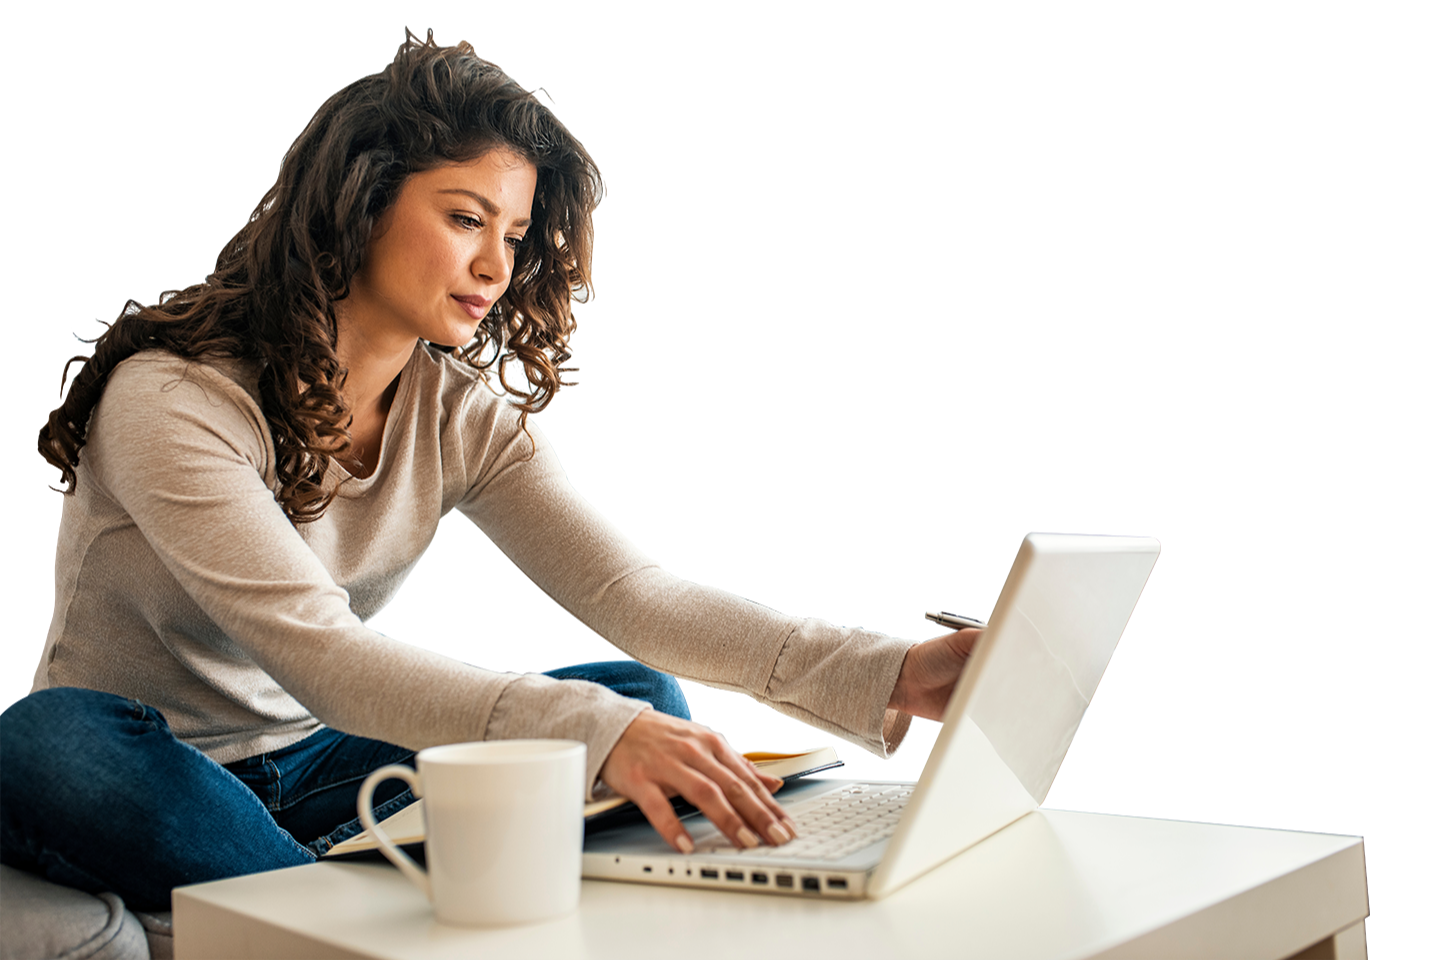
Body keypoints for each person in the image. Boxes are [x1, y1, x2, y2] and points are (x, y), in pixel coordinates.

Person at [3, 29, 979, 912]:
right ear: (361, 201)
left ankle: (315, 870)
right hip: (151, 755)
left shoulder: (458, 415)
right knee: (54, 745)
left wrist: (892, 669)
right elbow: (322, 655)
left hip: (317, 758)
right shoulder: (174, 398)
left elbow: (636, 595)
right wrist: (589, 730)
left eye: (512, 236)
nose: (496, 266)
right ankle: (328, 893)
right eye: (466, 218)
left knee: (637, 690)